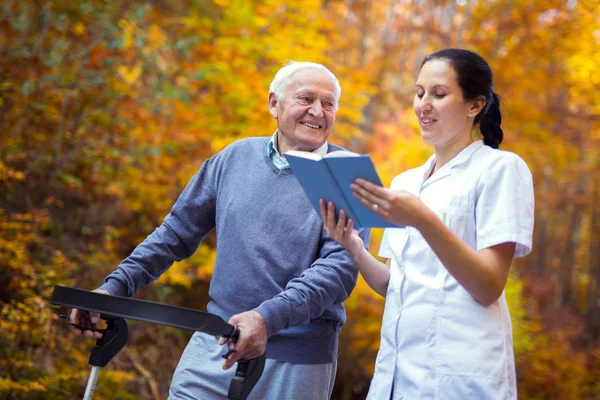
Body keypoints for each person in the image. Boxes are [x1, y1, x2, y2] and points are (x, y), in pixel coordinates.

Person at [70, 61, 370, 400]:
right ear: (274, 103)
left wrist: (266, 318)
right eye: (305, 99)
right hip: (213, 344)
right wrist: (116, 287)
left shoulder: (346, 175)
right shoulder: (234, 158)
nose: (317, 111)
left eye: (328, 104)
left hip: (296, 364)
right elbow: (174, 234)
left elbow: (338, 272)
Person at [320, 48, 534, 400]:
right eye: (419, 93)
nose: (423, 104)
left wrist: (422, 219)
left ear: (474, 105)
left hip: (458, 378)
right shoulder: (405, 182)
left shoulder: (501, 170)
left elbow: (488, 286)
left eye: (439, 94)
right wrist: (353, 247)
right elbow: (394, 284)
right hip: (395, 376)